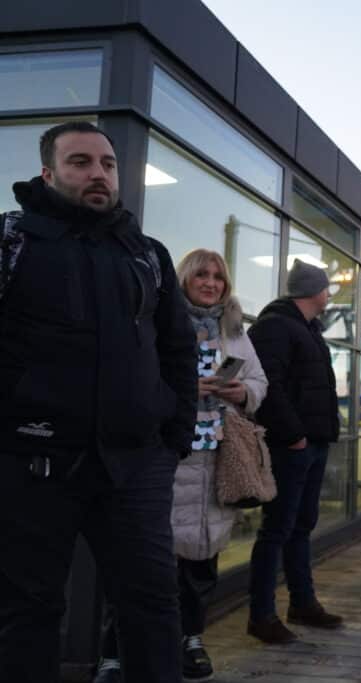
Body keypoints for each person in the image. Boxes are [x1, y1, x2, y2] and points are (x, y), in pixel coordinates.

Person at [0, 121, 197, 683]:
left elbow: (178, 352)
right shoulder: (12, 241)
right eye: (81, 162)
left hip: (134, 467)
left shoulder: (147, 254)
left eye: (107, 164)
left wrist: (172, 440)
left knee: (153, 607)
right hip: (31, 465)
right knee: (27, 611)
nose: (98, 174)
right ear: (48, 173)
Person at [93, 249, 268, 682]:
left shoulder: (235, 330)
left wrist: (239, 393)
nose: (211, 283)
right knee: (141, 560)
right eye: (202, 275)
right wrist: (188, 386)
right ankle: (114, 653)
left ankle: (192, 639)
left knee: (201, 559)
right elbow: (132, 376)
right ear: (185, 278)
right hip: (165, 453)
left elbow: (259, 383)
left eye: (218, 277)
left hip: (215, 458)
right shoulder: (158, 319)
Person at [246, 259, 344, 643]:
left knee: (301, 527)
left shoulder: (307, 329)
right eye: (325, 287)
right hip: (293, 446)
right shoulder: (275, 327)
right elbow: (268, 385)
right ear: (312, 291)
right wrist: (294, 436)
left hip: (312, 443)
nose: (329, 294)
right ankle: (261, 615)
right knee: (277, 530)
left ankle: (302, 603)